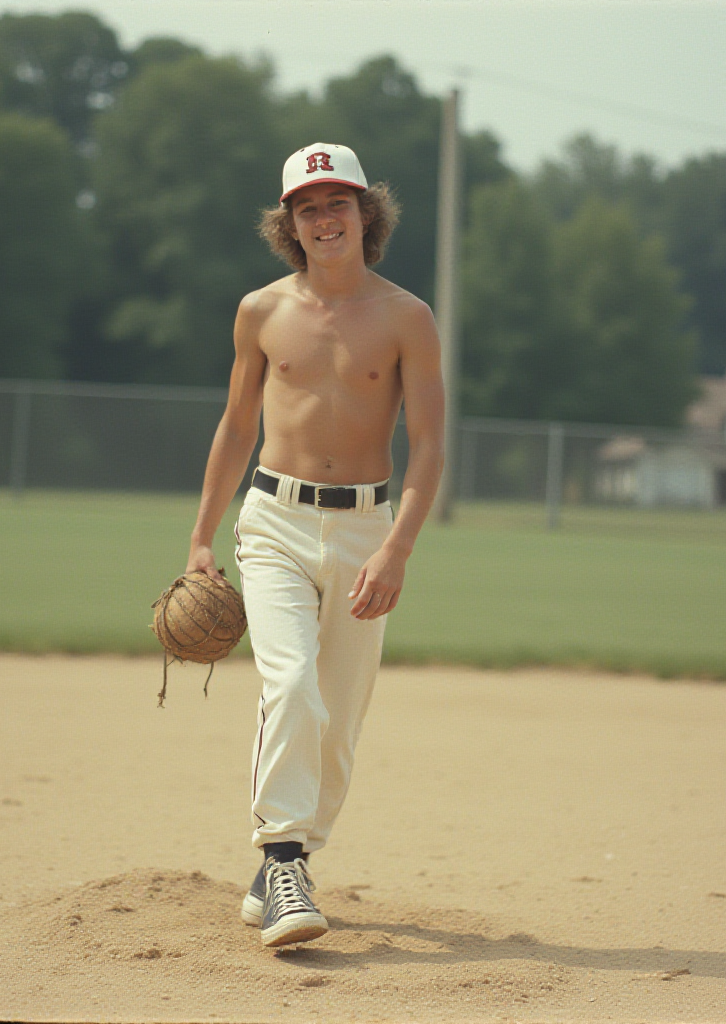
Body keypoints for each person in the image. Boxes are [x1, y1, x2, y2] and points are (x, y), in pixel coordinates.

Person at [186, 143, 445, 947]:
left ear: (367, 214)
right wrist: (201, 536)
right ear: (288, 225)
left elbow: (431, 445)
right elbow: (237, 426)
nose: (324, 218)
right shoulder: (261, 311)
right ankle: (285, 856)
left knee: (339, 718)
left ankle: (285, 864)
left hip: (368, 527)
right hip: (273, 520)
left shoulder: (407, 316)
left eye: (338, 203)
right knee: (291, 684)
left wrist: (398, 547)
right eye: (308, 207)